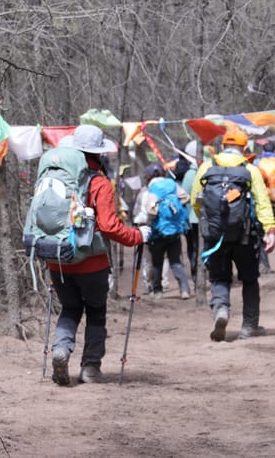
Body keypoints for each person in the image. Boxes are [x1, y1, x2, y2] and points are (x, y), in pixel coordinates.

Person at [47, 124, 150, 387]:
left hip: (57, 259)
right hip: (92, 264)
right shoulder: (100, 182)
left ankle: (61, 350)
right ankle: (90, 368)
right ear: (98, 154)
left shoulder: (57, 179)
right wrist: (138, 236)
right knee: (95, 311)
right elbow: (109, 226)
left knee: (69, 309)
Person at [191, 125, 275, 341]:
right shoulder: (250, 170)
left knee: (219, 278)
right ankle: (249, 326)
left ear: (222, 146)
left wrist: (209, 223)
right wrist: (270, 229)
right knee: (250, 280)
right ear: (245, 147)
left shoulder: (206, 168)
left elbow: (195, 201)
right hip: (244, 236)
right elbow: (262, 202)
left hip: (214, 237)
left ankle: (221, 309)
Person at [133, 163, 192, 299]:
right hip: (175, 230)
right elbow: (185, 198)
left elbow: (151, 211)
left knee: (157, 262)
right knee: (175, 261)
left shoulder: (151, 189)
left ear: (147, 177)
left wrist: (150, 222)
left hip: (158, 232)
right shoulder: (172, 184)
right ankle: (184, 289)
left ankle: (158, 291)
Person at [171, 140, 202, 285]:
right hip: (204, 217)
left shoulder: (191, 173)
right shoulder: (207, 168)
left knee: (193, 247)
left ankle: (196, 274)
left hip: (192, 217)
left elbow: (184, 195)